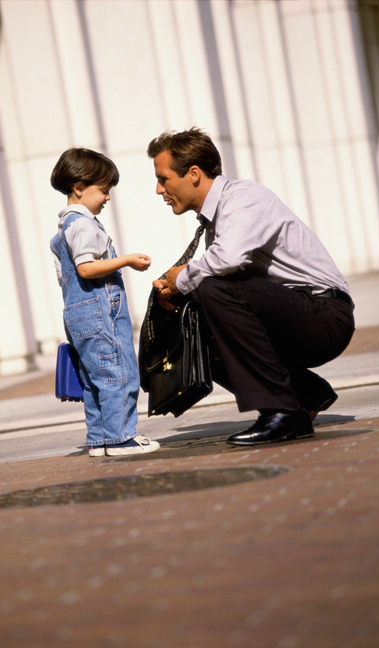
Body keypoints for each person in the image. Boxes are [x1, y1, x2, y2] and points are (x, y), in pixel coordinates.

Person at [146, 127, 355, 445]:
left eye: (163, 179)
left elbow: (226, 260)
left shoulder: (243, 198)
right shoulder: (218, 218)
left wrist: (182, 279)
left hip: (325, 315)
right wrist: (176, 294)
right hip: (296, 314)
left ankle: (282, 412)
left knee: (212, 289)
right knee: (199, 320)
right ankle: (305, 394)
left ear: (193, 173)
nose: (159, 190)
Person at [50, 147, 159, 457]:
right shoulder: (83, 224)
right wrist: (125, 260)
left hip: (78, 311)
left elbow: (68, 277)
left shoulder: (63, 228)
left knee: (94, 379)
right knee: (117, 372)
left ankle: (99, 439)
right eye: (104, 190)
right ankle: (121, 437)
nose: (108, 197)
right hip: (99, 311)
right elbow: (86, 268)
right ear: (79, 188)